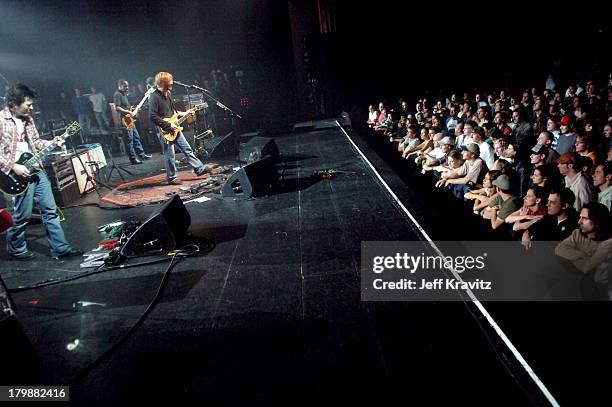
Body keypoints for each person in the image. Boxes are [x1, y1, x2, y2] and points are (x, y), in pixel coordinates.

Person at [0, 84, 82, 260]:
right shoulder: (1, 120)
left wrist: (53, 142)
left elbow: (36, 141)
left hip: (36, 170)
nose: (31, 107)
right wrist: (13, 166)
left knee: (50, 211)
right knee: (23, 215)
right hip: (14, 174)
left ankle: (60, 249)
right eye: (28, 105)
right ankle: (16, 248)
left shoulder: (28, 119)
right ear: (14, 103)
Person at [149, 71, 206, 185]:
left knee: (187, 149)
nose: (171, 83)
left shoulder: (168, 94)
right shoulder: (154, 96)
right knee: (170, 154)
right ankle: (172, 178)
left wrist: (185, 113)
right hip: (164, 130)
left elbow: (174, 112)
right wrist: (169, 125)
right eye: (169, 81)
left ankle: (199, 168)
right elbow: (152, 116)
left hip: (174, 128)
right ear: (163, 83)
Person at [113, 79, 152, 165]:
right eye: (125, 86)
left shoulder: (123, 94)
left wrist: (132, 109)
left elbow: (125, 106)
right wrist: (129, 112)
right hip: (125, 121)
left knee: (136, 137)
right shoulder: (117, 95)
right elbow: (117, 108)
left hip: (129, 119)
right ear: (119, 85)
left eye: (127, 86)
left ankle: (141, 155)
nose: (127, 88)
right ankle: (133, 159)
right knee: (129, 140)